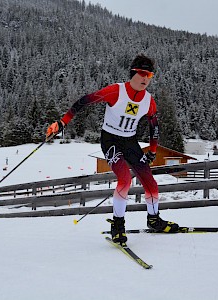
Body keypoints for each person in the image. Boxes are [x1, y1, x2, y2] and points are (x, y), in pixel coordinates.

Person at [46, 54, 180, 245]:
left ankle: (154, 220)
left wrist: (152, 150)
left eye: (149, 75)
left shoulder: (149, 101)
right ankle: (118, 225)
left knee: (150, 182)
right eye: (142, 73)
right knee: (124, 179)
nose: (145, 79)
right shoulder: (116, 91)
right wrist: (62, 122)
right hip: (110, 140)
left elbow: (154, 126)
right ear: (133, 72)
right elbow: (84, 101)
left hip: (130, 142)